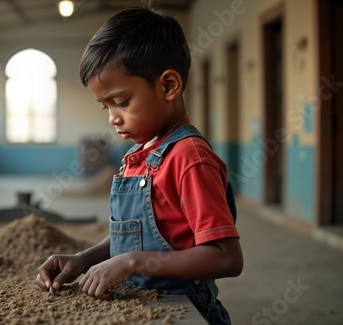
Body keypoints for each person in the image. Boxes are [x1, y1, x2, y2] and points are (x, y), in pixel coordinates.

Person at [35, 6, 243, 324]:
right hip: (141, 308)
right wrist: (84, 259)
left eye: (121, 101)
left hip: (182, 310)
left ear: (168, 86)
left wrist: (132, 263)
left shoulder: (189, 159)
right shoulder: (141, 156)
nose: (112, 118)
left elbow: (227, 258)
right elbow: (136, 236)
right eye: (104, 105)